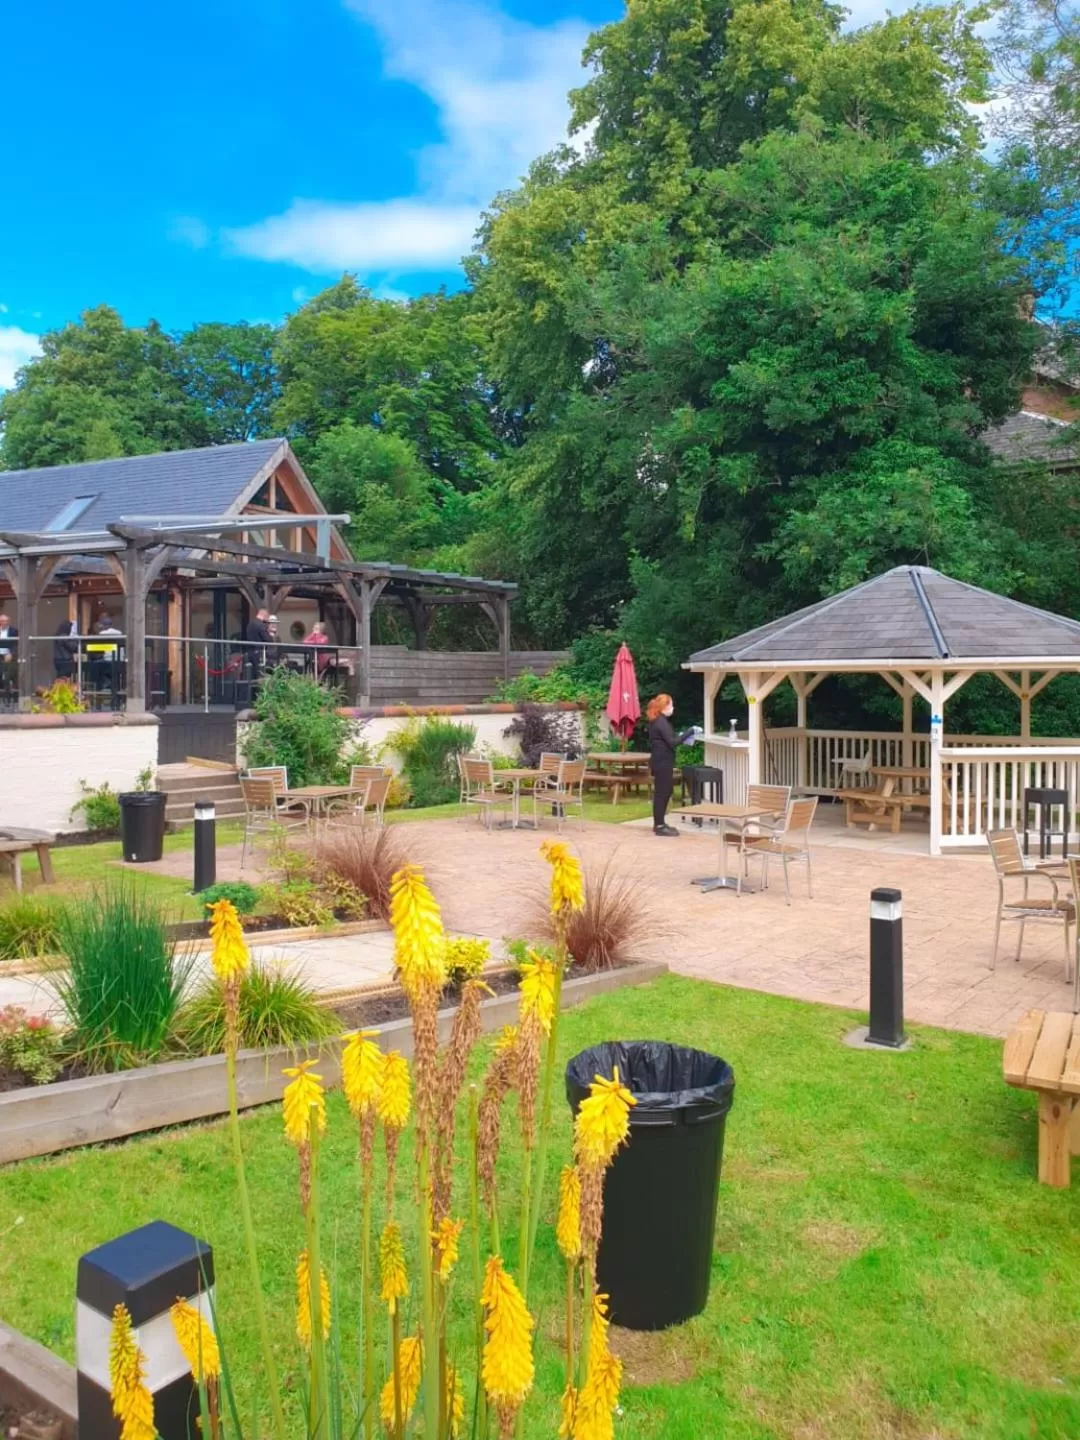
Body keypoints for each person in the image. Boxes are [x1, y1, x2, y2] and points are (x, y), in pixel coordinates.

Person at [647, 693, 701, 837]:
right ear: (664, 706)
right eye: (670, 705)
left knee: (666, 791)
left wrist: (682, 736)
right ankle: (659, 825)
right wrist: (690, 732)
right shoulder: (660, 722)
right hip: (662, 762)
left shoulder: (660, 721)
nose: (672, 708)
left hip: (662, 761)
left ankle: (660, 823)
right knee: (662, 793)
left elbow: (669, 739)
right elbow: (672, 742)